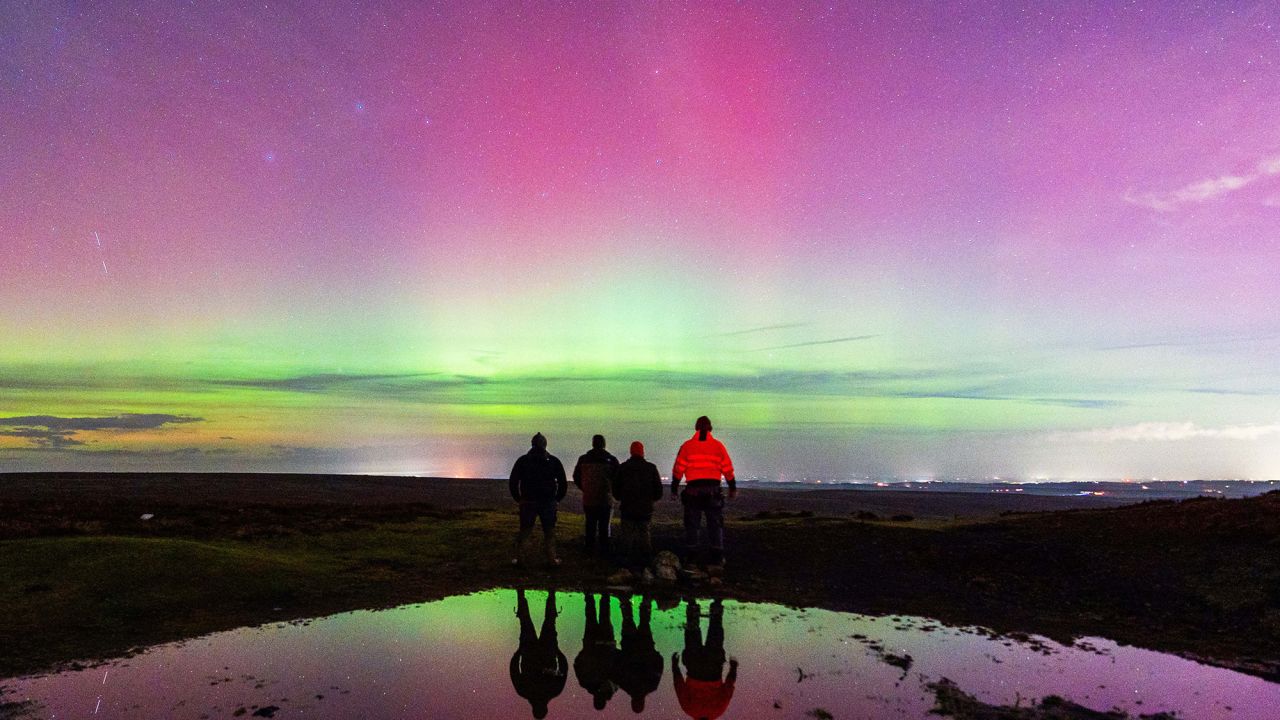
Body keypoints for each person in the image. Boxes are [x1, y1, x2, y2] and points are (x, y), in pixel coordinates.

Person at [670, 416, 736, 566]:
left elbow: (678, 469)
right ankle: (717, 557)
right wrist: (732, 487)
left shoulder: (687, 446)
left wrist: (674, 488)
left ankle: (692, 556)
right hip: (713, 491)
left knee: (692, 524)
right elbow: (727, 468)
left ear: (696, 428)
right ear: (710, 428)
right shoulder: (718, 446)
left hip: (693, 492)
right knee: (715, 523)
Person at [672, 598, 737, 720]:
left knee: (715, 632)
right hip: (694, 667)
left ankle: (717, 603)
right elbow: (679, 686)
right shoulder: (689, 709)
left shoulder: (718, 711)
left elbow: (728, 688)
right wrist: (674, 666)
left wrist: (733, 668)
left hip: (713, 669)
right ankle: (692, 603)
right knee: (692, 632)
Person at [510, 432, 568, 567]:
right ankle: (552, 559)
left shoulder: (523, 461)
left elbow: (513, 482)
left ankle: (521, 559)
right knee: (549, 531)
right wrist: (556, 499)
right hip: (547, 501)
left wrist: (519, 499)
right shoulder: (553, 461)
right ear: (545, 444)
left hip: (528, 501)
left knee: (525, 531)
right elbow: (563, 483)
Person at [510, 589, 568, 719]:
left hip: (543, 650)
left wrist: (558, 652)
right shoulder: (524, 691)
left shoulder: (554, 691)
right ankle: (522, 593)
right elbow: (514, 670)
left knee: (547, 620)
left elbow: (564, 668)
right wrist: (518, 652)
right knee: (527, 621)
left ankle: (550, 593)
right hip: (534, 651)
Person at [612, 441, 664, 570]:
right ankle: (645, 561)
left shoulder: (623, 468)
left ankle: (624, 562)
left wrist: (621, 498)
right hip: (645, 509)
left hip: (628, 508)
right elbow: (658, 491)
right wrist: (651, 500)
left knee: (626, 535)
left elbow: (616, 488)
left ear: (631, 452)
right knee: (644, 534)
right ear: (642, 452)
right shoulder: (651, 468)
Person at [613, 594, 663, 714]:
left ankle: (646, 602)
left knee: (644, 623)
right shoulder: (624, 684)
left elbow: (659, 664)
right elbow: (616, 664)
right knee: (628, 619)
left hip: (645, 647)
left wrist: (654, 654)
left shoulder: (651, 685)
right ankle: (627, 601)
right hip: (630, 647)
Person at [572, 434, 619, 556]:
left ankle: (589, 550)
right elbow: (618, 478)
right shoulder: (611, 460)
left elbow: (576, 476)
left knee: (590, 525)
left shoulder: (583, 459)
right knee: (604, 526)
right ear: (604, 444)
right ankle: (604, 551)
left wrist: (585, 488)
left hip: (589, 498)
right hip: (605, 499)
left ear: (593, 444)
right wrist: (611, 490)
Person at [573, 592, 618, 711]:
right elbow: (577, 664)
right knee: (595, 616)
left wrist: (584, 652)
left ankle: (599, 594)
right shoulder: (587, 682)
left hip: (599, 643)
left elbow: (577, 664)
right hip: (599, 643)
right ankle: (594, 594)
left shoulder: (588, 683)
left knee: (599, 616)